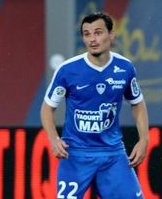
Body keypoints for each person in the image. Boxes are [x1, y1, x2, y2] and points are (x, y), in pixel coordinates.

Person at [40, 12, 149, 198]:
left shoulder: (125, 68)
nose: (92, 39)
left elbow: (137, 104)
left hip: (112, 154)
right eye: (87, 34)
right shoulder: (67, 70)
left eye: (98, 32)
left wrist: (144, 139)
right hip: (75, 154)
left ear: (111, 35)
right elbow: (47, 108)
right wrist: (53, 139)